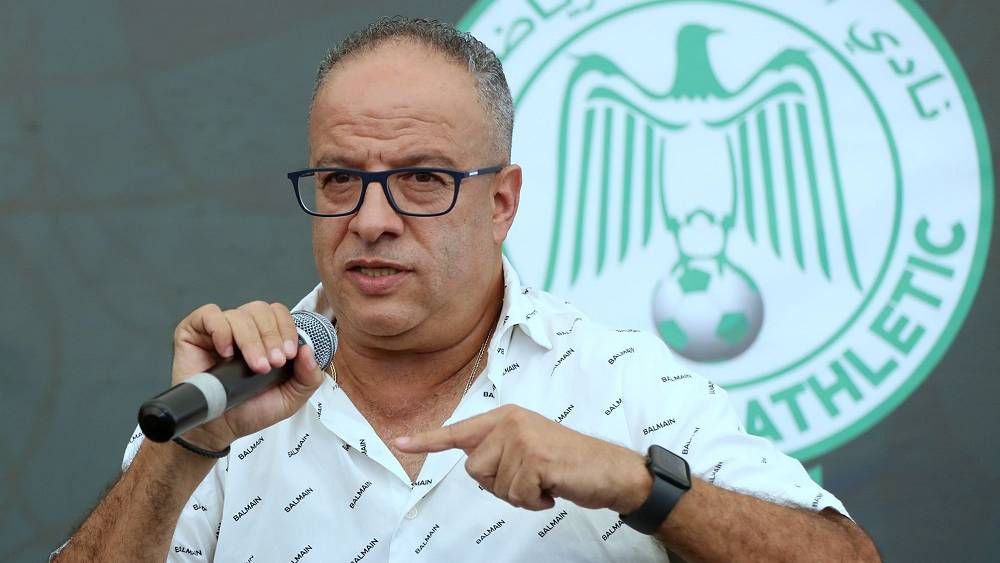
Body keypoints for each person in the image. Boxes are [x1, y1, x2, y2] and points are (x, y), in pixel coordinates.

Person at [53, 17, 879, 562]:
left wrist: (638, 484)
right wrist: (183, 453)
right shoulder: (230, 394)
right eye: (340, 178)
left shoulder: (626, 384)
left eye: (422, 178)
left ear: (502, 204)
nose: (371, 220)